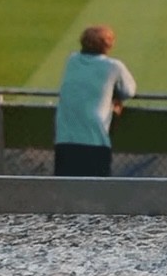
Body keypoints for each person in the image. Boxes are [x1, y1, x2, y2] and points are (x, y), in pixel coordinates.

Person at [54, 25, 136, 177]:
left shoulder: (72, 60)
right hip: (95, 142)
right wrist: (115, 98)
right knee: (97, 193)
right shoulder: (113, 66)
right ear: (107, 46)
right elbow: (129, 91)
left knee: (65, 192)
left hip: (64, 141)